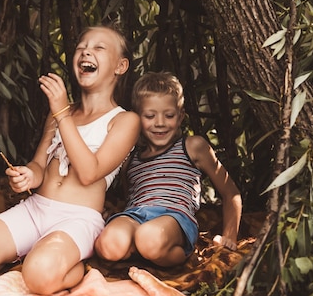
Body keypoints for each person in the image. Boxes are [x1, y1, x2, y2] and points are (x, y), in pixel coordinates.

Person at [0, 25, 138, 296]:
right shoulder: (57, 116)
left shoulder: (124, 120)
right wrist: (29, 175)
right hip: (35, 210)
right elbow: (40, 164)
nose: (86, 51)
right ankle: (32, 252)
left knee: (40, 277)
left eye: (99, 47)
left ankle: (69, 264)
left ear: (120, 65)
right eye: (81, 46)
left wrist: (62, 111)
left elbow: (90, 172)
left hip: (77, 218)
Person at [94, 72, 242, 268]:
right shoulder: (130, 158)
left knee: (149, 238)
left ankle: (179, 255)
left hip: (174, 217)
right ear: (137, 119)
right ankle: (145, 250)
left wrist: (229, 237)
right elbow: (131, 196)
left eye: (169, 115)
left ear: (180, 117)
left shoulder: (192, 146)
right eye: (150, 116)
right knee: (108, 244)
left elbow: (231, 193)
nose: (160, 123)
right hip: (136, 215)